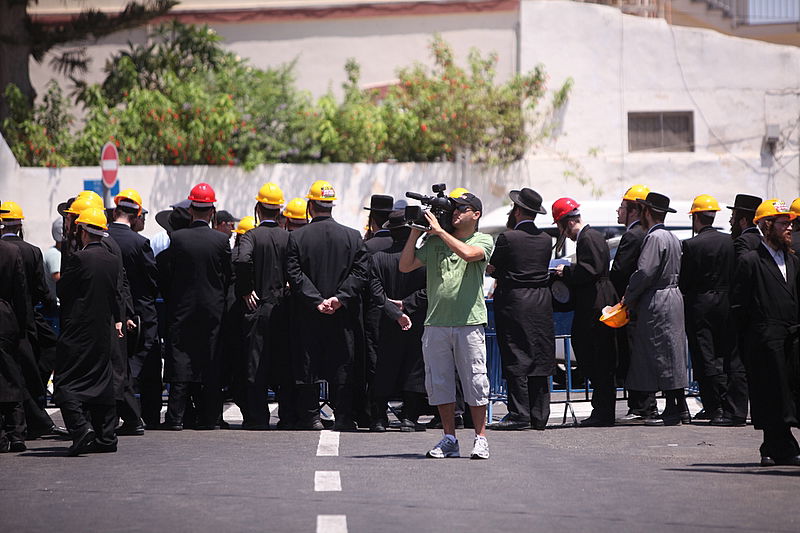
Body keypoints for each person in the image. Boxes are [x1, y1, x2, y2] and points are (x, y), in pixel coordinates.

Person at [399, 192, 494, 459]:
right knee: (440, 382)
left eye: (462, 208)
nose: (455, 212)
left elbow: (468, 254)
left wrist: (440, 232)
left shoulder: (483, 240)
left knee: (475, 381)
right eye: (453, 208)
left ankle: (480, 437)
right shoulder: (435, 240)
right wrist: (416, 231)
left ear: (475, 214)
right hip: (436, 323)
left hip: (469, 323)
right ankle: (449, 437)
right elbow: (405, 265)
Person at [286, 180, 368, 431]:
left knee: (308, 364)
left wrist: (316, 300)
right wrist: (340, 298)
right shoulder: (352, 236)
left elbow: (293, 273)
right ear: (331, 206)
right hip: (342, 315)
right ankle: (343, 416)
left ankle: (311, 417)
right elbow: (361, 272)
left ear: (310, 206)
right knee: (342, 364)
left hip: (308, 315)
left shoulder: (297, 237)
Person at [731, 199, 800, 465]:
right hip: (764, 339)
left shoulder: (793, 262)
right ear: (767, 226)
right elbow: (739, 306)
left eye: (790, 223)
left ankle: (782, 444)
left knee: (788, 394)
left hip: (791, 339)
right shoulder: (750, 262)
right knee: (770, 393)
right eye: (784, 223)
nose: (789, 228)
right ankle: (772, 447)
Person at [160, 183, 232, 430]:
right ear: (212, 211)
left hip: (182, 308)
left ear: (191, 209)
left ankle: (176, 418)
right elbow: (228, 276)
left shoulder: (177, 239)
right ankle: (210, 418)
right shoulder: (221, 241)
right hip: (213, 310)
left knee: (181, 359)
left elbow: (166, 273)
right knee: (210, 362)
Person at [55, 207, 124, 456]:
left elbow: (63, 290)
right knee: (101, 380)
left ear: (84, 232)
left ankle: (80, 427)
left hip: (78, 329)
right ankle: (107, 437)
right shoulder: (112, 260)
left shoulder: (79, 259)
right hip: (102, 329)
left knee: (65, 380)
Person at [0, 201, 68, 440]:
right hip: (22, 318)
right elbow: (37, 289)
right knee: (28, 366)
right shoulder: (29, 250)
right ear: (19, 225)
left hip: (12, 319)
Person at [488, 188, 554, 431]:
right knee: (540, 353)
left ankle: (519, 412)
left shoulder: (508, 238)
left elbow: (492, 267)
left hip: (515, 300)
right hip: (541, 300)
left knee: (516, 352)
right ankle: (540, 414)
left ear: (517, 210)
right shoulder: (547, 239)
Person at [622, 192, 689, 426]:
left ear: (647, 212)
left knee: (661, 352)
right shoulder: (671, 237)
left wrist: (628, 297)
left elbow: (644, 273)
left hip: (658, 298)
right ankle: (679, 406)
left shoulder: (655, 238)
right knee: (673, 351)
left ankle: (672, 408)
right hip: (673, 296)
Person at [553, 197, 619, 427]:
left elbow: (588, 271)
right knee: (599, 359)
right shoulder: (594, 236)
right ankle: (602, 411)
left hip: (593, 306)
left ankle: (602, 412)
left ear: (566, 223)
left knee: (597, 358)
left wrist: (566, 271)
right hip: (598, 302)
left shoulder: (587, 238)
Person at [234, 183, 290, 430]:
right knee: (284, 363)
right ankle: (287, 416)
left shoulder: (251, 236)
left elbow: (242, 260)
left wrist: (246, 289)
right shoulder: (288, 237)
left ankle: (257, 417)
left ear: (258, 208)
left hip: (257, 308)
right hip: (282, 308)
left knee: (255, 365)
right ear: (279, 211)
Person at [368, 210, 428, 432]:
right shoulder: (422, 260)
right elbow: (430, 290)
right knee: (414, 367)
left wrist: (395, 312)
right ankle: (409, 418)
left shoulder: (377, 259)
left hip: (386, 321)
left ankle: (379, 418)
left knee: (384, 367)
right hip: (417, 319)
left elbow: (375, 293)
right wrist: (408, 306)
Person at [107, 189, 161, 432]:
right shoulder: (140, 243)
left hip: (112, 312)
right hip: (142, 311)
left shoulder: (104, 238)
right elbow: (152, 279)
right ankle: (148, 415)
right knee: (147, 366)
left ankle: (124, 414)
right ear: (137, 214)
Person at [679, 195, 735, 425]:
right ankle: (726, 402)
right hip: (726, 302)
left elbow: (685, 280)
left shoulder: (692, 245)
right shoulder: (730, 240)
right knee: (724, 354)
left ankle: (714, 406)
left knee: (705, 356)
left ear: (696, 217)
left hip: (700, 303)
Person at [610, 185, 658, 423]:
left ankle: (642, 405)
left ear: (633, 210)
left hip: (630, 306)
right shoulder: (646, 233)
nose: (618, 211)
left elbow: (620, 272)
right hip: (641, 304)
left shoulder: (633, 234)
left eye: (622, 207)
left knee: (633, 356)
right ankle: (643, 404)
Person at [718, 194, 761, 425]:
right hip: (759, 310)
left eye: (734, 216)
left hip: (740, 308)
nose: (731, 221)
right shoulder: (764, 241)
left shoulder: (743, 243)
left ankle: (735, 411)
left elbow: (743, 275)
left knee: (735, 361)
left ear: (744, 221)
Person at [362, 194, 395, 431]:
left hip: (373, 310)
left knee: (374, 362)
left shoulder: (367, 247)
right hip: (401, 309)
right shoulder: (403, 245)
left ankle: (376, 414)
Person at [0, 200, 30, 453]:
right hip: (7, 318)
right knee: (12, 374)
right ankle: (17, 432)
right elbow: (21, 293)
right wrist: (24, 324)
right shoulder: (11, 253)